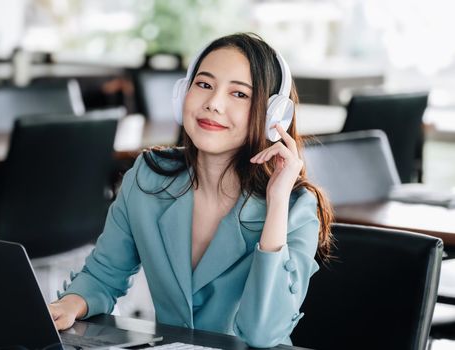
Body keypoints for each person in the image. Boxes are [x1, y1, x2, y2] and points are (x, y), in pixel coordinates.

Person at [48, 33, 333, 348]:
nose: (214, 104)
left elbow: (263, 334)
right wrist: (69, 304)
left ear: (272, 115)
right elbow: (105, 274)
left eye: (239, 94)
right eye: (205, 85)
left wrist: (277, 203)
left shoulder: (296, 208)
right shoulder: (149, 177)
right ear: (182, 92)